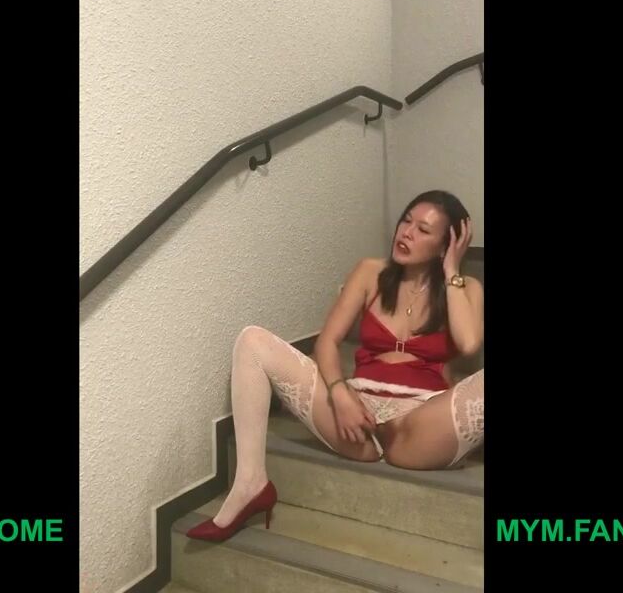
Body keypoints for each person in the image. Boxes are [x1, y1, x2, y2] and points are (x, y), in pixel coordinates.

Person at [187, 190, 485, 541]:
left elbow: (469, 343)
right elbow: (326, 343)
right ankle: (250, 483)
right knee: (252, 341)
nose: (406, 233)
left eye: (423, 230)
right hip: (356, 415)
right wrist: (341, 394)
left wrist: (451, 271)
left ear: (445, 245)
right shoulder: (370, 272)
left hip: (420, 425)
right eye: (406, 220)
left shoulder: (465, 288)